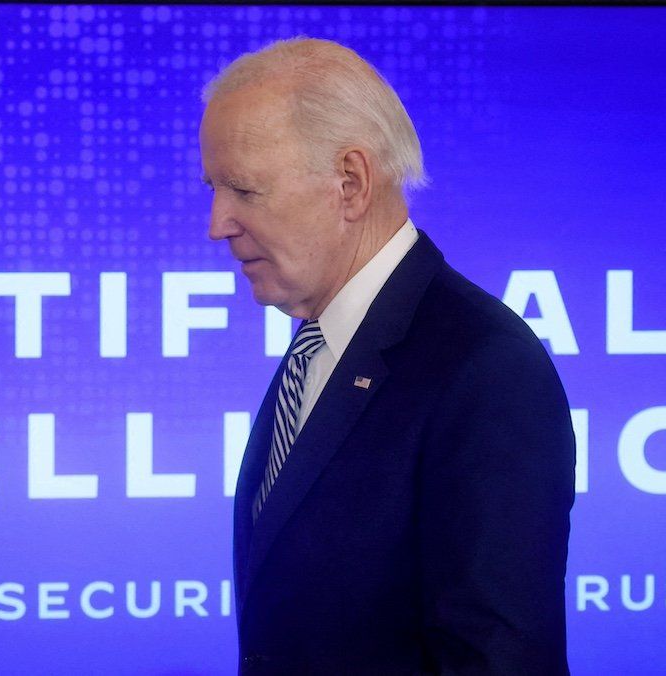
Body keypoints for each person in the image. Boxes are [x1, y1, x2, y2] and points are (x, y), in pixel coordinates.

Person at [199, 38, 575, 674]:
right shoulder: (320, 341)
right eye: (214, 188)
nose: (217, 223)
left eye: (244, 190)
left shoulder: (483, 368)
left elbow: (498, 657)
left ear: (350, 182)